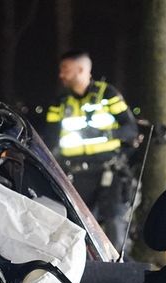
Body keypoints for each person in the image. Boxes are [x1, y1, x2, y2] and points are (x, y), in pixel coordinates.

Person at [41, 50, 139, 254]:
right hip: (76, 174)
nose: (61, 75)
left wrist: (105, 133)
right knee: (77, 225)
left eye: (66, 69)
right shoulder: (61, 101)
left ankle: (117, 266)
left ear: (81, 69)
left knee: (114, 222)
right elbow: (49, 137)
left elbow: (131, 129)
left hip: (108, 172)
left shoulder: (108, 95)